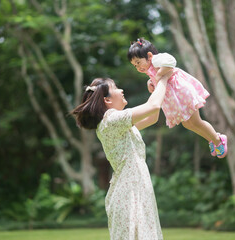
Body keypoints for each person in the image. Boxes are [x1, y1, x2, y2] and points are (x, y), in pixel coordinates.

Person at [71, 73, 172, 240]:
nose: (122, 90)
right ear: (107, 100)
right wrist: (164, 78)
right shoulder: (111, 120)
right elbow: (153, 106)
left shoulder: (118, 124)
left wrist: (156, 86)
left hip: (135, 187)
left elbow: (153, 116)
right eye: (116, 88)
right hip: (128, 192)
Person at [127, 38, 228, 158]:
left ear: (149, 55)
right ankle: (211, 139)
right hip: (176, 98)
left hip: (182, 93)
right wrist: (151, 81)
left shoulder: (156, 59)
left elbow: (171, 61)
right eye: (134, 66)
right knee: (188, 124)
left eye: (138, 63)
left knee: (196, 121)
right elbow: (157, 77)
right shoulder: (150, 68)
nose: (138, 68)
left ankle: (218, 139)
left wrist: (158, 75)